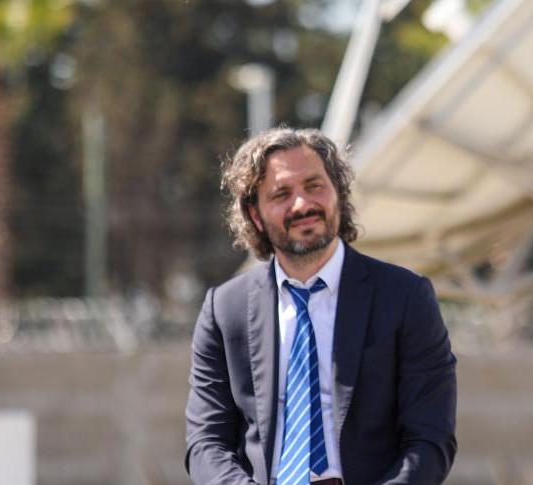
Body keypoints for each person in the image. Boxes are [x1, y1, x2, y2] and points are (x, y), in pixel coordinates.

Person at [185, 127, 457, 485]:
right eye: (281, 194)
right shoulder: (225, 309)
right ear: (255, 215)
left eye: (314, 186)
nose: (302, 204)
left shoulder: (405, 297)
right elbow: (206, 442)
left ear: (338, 193)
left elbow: (430, 438)